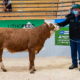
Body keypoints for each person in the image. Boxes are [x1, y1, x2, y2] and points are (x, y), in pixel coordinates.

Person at [55, 4, 80, 70]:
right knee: (73, 52)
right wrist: (56, 24)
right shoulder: (70, 17)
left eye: (76, 9)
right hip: (72, 38)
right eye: (74, 9)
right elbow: (64, 23)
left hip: (79, 39)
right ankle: (74, 64)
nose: (75, 10)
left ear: (79, 9)